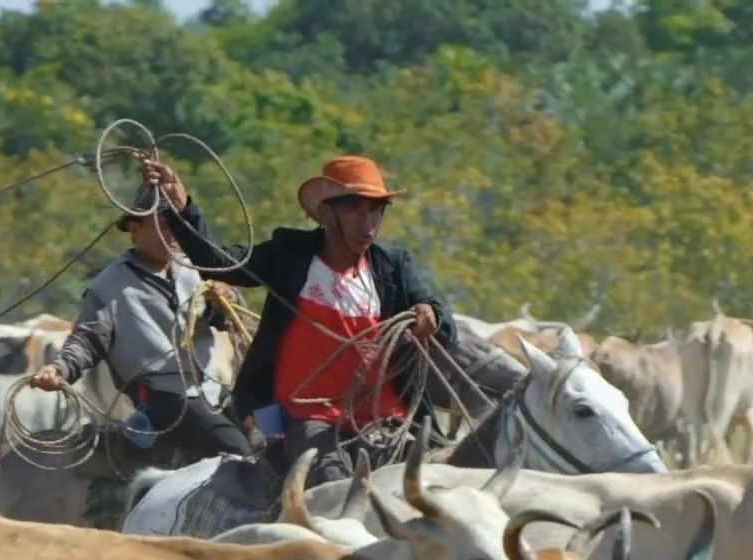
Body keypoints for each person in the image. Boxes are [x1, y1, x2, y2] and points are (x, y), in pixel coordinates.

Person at [144, 155, 457, 484]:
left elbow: (440, 322)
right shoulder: (289, 253)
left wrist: (430, 313)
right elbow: (217, 262)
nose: (367, 223)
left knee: (442, 487)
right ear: (326, 212)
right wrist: (180, 205)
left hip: (384, 417)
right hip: (302, 416)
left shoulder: (392, 265)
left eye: (376, 209)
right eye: (353, 208)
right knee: (333, 489)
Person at [28, 187, 251, 460]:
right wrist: (59, 369)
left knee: (270, 436)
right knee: (236, 450)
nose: (173, 236)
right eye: (164, 227)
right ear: (135, 229)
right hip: (163, 397)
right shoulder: (110, 286)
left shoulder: (198, 270)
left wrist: (225, 295)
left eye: (178, 228)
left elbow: (229, 318)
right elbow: (87, 339)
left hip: (214, 390)